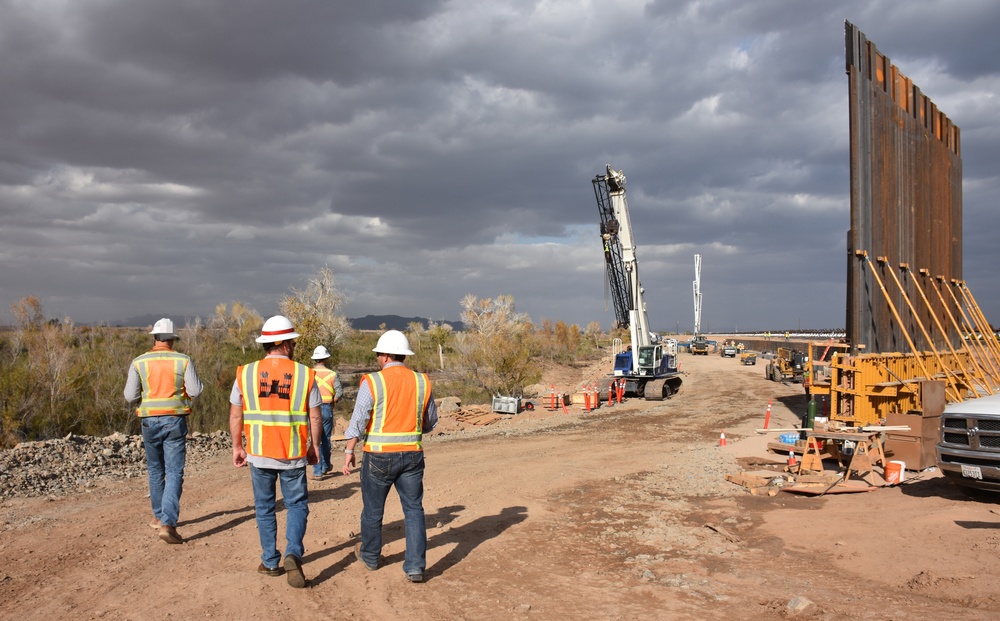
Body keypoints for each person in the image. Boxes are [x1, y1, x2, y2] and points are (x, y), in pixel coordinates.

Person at [229, 315, 323, 588]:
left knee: (265, 507)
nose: (294, 345)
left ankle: (270, 561)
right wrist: (314, 447)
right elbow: (315, 418)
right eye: (292, 341)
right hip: (293, 454)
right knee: (296, 505)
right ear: (282, 343)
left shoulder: (245, 373)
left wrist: (238, 446)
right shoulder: (306, 374)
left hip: (258, 453)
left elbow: (236, 415)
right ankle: (293, 552)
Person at [342, 330, 437, 583]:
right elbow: (430, 422)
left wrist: (349, 449)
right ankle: (415, 566)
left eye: (377, 355)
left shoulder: (373, 382)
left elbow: (359, 419)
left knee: (373, 511)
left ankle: (371, 556)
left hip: (379, 457)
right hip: (412, 455)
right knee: (414, 510)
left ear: (384, 356)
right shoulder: (422, 381)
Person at [124, 317, 203, 545]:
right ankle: (168, 523)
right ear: (172, 340)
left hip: (149, 420)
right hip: (175, 420)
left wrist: (146, 399)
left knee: (155, 469)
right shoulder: (183, 360)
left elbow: (130, 396)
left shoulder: (139, 362)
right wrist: (183, 397)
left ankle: (159, 517)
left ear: (155, 338)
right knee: (174, 471)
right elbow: (196, 390)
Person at [310, 345, 343, 480]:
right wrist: (332, 402)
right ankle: (325, 466)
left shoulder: (308, 373)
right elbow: (339, 393)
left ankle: (317, 471)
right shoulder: (332, 374)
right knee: (326, 439)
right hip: (326, 408)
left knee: (315, 439)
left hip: (312, 409)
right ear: (326, 358)